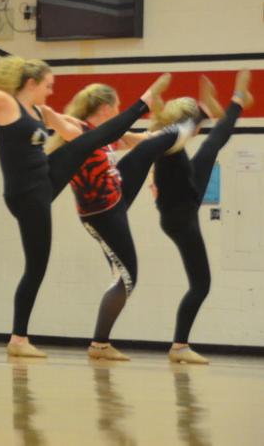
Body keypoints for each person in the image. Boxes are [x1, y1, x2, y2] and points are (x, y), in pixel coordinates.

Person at [0, 60, 170, 357]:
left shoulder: (40, 112)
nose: (52, 90)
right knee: (36, 268)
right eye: (48, 85)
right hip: (27, 194)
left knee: (90, 142)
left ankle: (143, 105)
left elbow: (103, 138)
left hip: (43, 184)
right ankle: (18, 340)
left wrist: (168, 133)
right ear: (31, 83)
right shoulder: (9, 104)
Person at [64, 83, 186, 361]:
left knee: (146, 149)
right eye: (116, 108)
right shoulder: (78, 130)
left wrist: (161, 134)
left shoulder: (108, 135)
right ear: (106, 109)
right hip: (100, 212)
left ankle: (100, 345)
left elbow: (134, 140)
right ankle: (99, 345)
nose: (118, 113)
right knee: (127, 279)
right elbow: (59, 122)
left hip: (115, 199)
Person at [151, 71, 253, 364]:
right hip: (179, 217)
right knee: (201, 284)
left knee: (211, 146)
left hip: (185, 199)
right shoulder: (168, 141)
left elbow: (178, 127)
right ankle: (179, 346)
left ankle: (235, 100)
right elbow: (176, 127)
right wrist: (202, 111)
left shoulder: (170, 141)